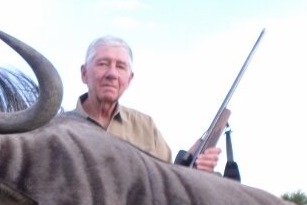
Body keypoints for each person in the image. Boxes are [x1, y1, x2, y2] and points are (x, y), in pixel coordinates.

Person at [65, 35, 221, 172]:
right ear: (84, 74)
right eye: (103, 64)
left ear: (129, 79)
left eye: (120, 66)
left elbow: (168, 184)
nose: (112, 74)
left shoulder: (146, 126)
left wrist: (195, 168)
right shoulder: (57, 128)